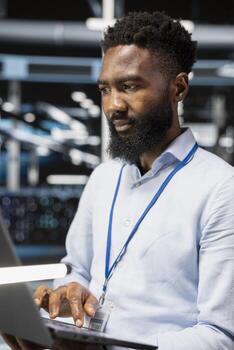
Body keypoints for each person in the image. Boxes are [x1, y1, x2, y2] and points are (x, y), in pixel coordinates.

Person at [3, 10, 234, 350]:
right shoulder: (103, 178)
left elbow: (220, 335)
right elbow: (76, 269)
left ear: (179, 87)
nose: (114, 105)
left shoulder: (221, 188)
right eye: (105, 89)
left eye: (129, 87)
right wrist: (68, 299)